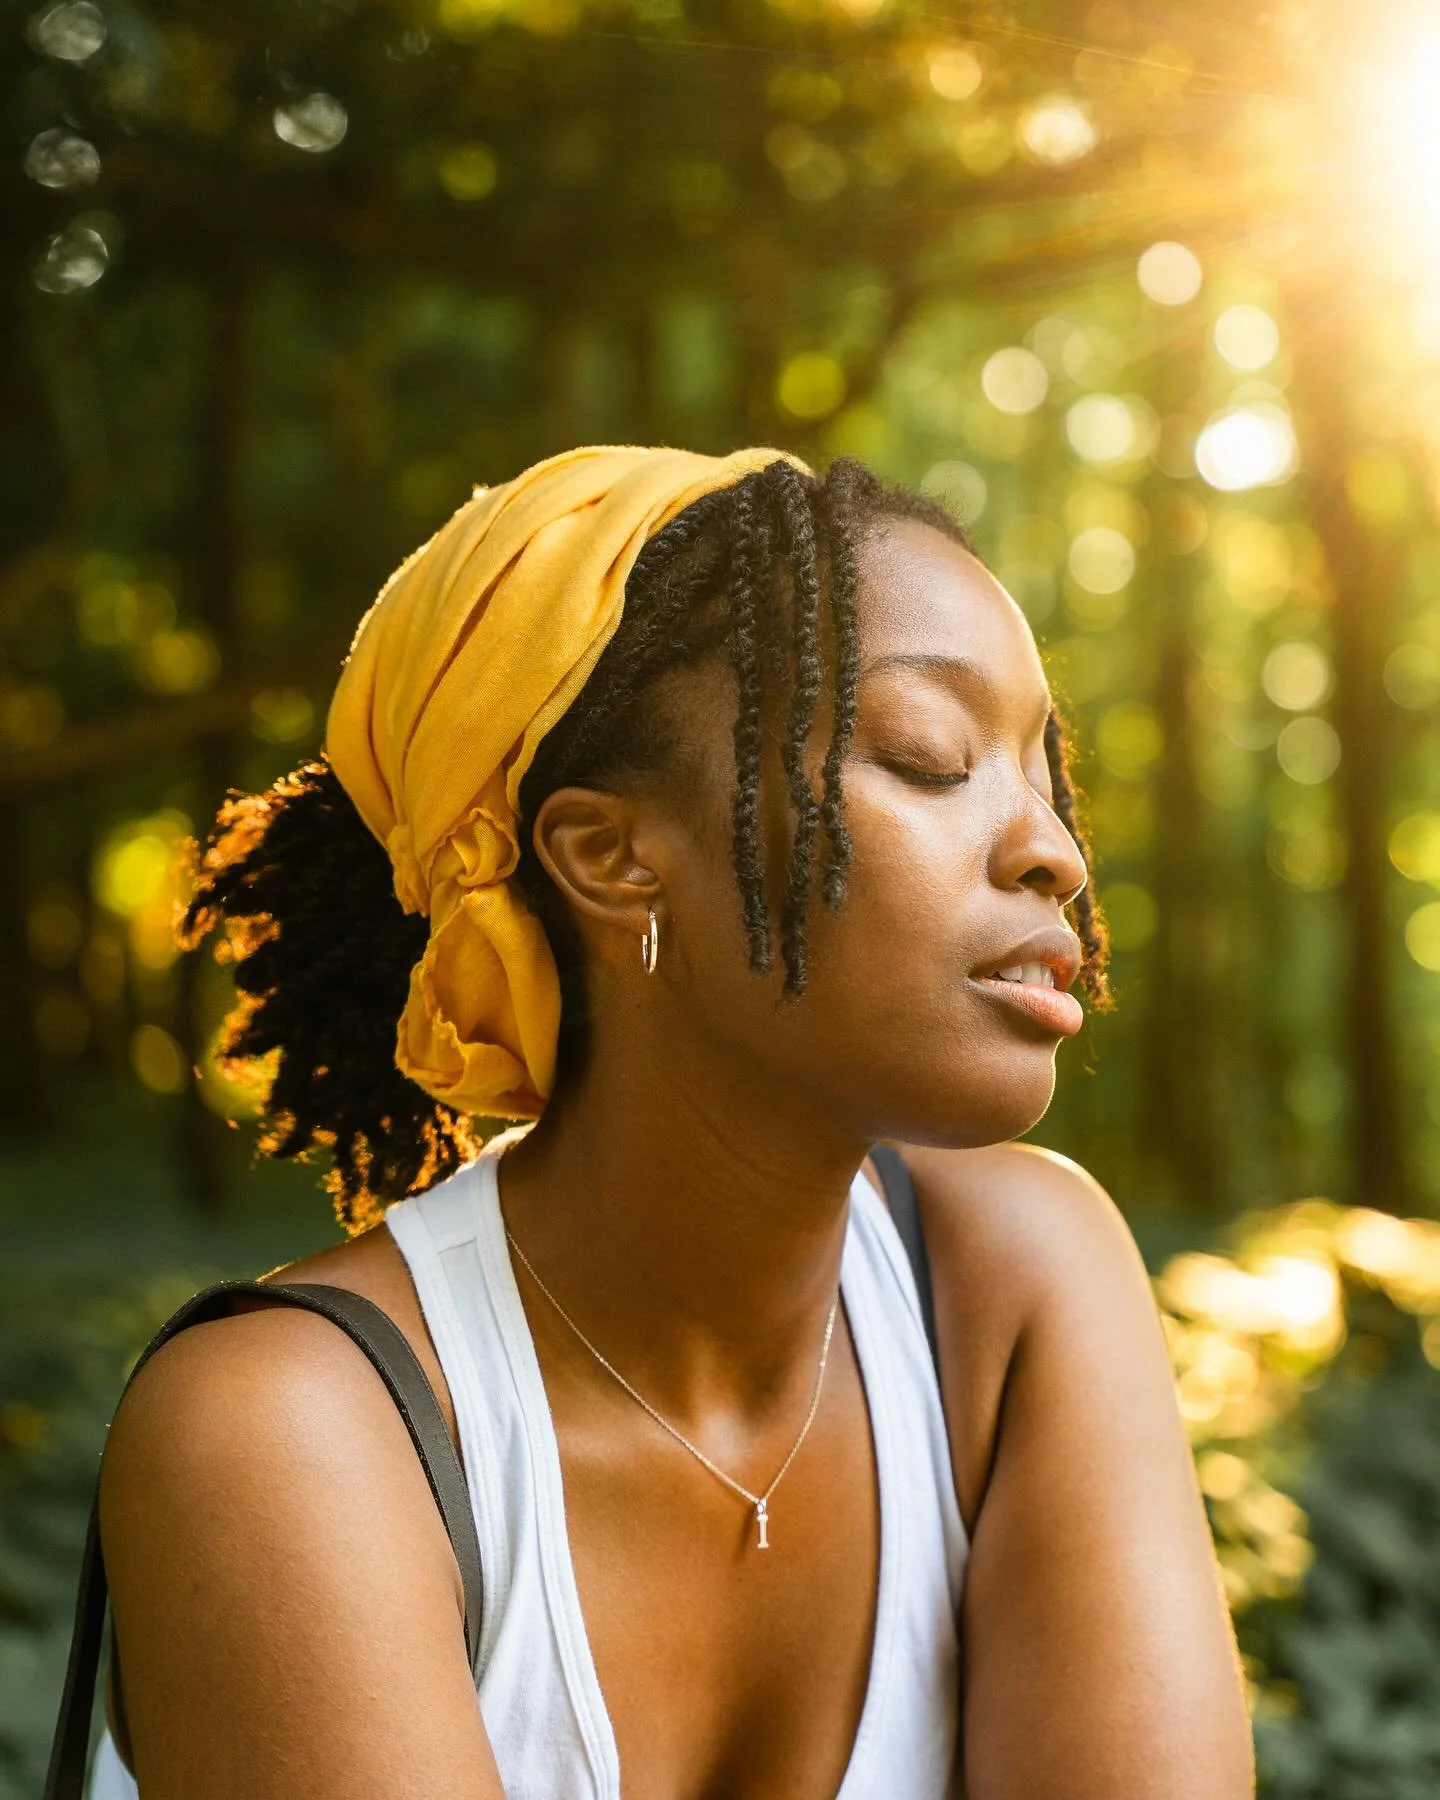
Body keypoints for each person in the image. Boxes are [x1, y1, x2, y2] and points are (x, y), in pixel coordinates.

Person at [91, 447, 1254, 1799]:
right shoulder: (292, 1429)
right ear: (612, 856)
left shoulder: (1016, 1286)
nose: (1051, 845)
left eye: (1042, 769)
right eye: (931, 761)